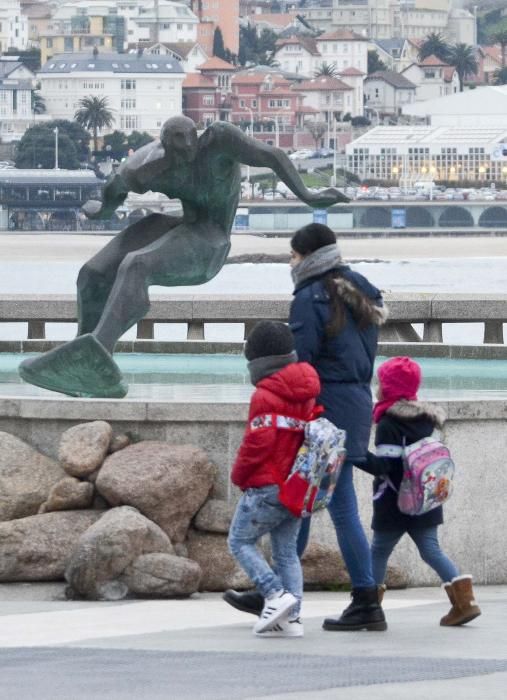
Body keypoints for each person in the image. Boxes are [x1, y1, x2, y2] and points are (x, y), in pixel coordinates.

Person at [19, 118, 345, 399]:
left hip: (211, 240)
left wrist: (309, 195)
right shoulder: (148, 165)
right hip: (181, 225)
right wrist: (102, 210)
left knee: (137, 264)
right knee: (93, 273)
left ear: (198, 140)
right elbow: (115, 187)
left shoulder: (221, 141)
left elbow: (271, 156)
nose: (183, 160)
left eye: (188, 150)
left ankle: (96, 353)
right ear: (164, 149)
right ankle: (81, 358)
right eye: (175, 155)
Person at [225, 223, 388, 631]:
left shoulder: (310, 297)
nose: (291, 263)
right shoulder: (361, 289)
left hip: (321, 408)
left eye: (293, 256)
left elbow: (303, 359)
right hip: (355, 401)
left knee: (333, 504)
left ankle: (365, 599)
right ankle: (278, 593)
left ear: (308, 256)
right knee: (302, 500)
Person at [356, 356, 481, 626]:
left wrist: (357, 455)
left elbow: (385, 466)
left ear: (388, 388)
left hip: (394, 502)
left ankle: (370, 608)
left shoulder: (389, 423)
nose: (377, 387)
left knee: (378, 552)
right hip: (427, 499)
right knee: (431, 549)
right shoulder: (426, 419)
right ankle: (466, 602)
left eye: (381, 382)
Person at [227, 320, 320, 638]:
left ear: (259, 361)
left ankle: (274, 594)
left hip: (266, 485)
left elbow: (257, 444)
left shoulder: (264, 396)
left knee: (239, 541)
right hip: (296, 486)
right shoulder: (308, 389)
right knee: (286, 552)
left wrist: (238, 475)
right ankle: (292, 619)